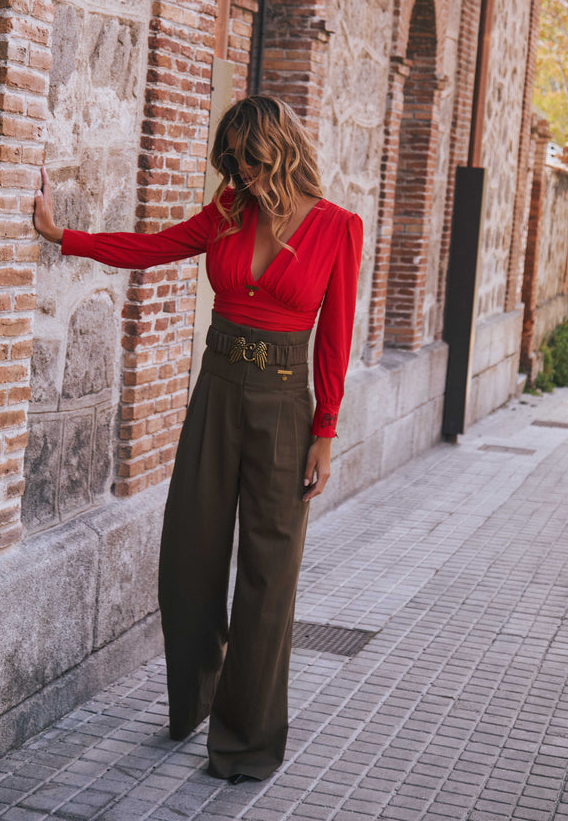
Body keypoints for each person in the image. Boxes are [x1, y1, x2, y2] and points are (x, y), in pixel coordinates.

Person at [33, 95, 363, 783]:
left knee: (269, 579)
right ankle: (196, 699)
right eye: (230, 161)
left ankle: (243, 743)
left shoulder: (338, 228)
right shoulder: (227, 213)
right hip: (216, 393)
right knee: (188, 557)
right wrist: (65, 237)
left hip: (283, 407)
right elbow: (154, 248)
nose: (235, 171)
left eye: (245, 158)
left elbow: (334, 339)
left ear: (275, 150)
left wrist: (325, 431)